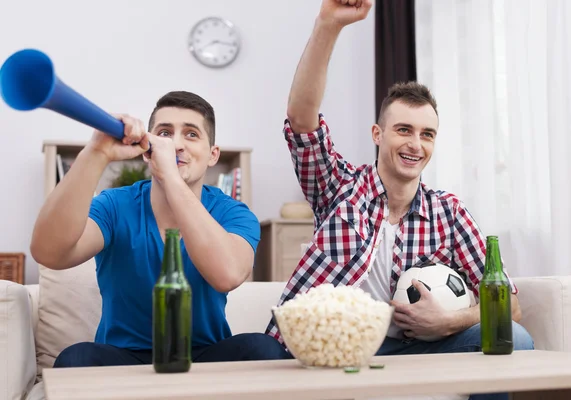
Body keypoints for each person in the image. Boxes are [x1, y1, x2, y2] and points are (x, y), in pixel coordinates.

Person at [266, 1, 534, 399]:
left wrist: (448, 322)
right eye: (404, 130)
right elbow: (302, 121)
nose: (415, 144)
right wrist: (328, 25)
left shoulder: (449, 211)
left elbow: (507, 305)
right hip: (336, 351)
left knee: (516, 337)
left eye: (427, 134)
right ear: (378, 134)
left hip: (417, 349)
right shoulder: (339, 187)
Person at [30, 90, 288, 368]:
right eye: (164, 133)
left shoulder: (233, 213)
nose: (176, 144)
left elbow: (227, 275)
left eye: (191, 134)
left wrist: (170, 177)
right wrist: (96, 152)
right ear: (147, 150)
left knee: (263, 349)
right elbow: (49, 253)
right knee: (75, 358)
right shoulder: (115, 205)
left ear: (213, 155)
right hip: (124, 359)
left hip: (203, 358)